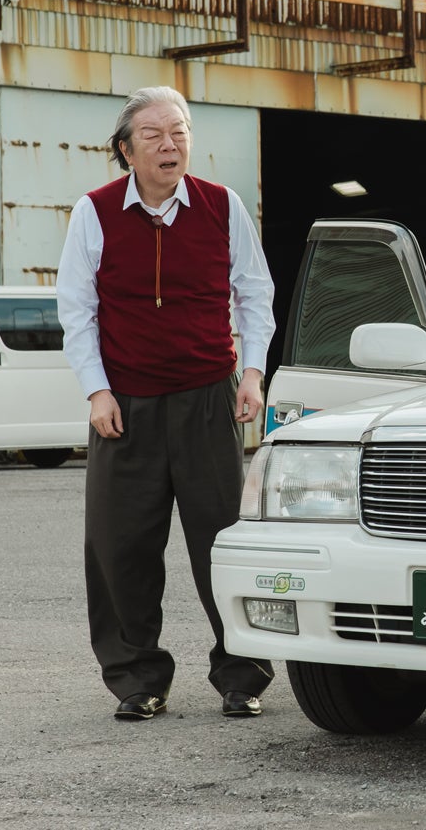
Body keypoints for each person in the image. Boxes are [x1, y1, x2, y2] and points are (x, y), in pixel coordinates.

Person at [56, 85, 275, 721]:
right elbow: (76, 309)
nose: (169, 143)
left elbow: (253, 294)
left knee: (223, 541)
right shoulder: (93, 213)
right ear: (125, 150)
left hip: (209, 399)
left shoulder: (222, 206)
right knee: (119, 544)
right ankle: (137, 679)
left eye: (178, 131)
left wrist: (252, 374)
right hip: (125, 405)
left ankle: (243, 674)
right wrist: (96, 390)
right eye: (152, 133)